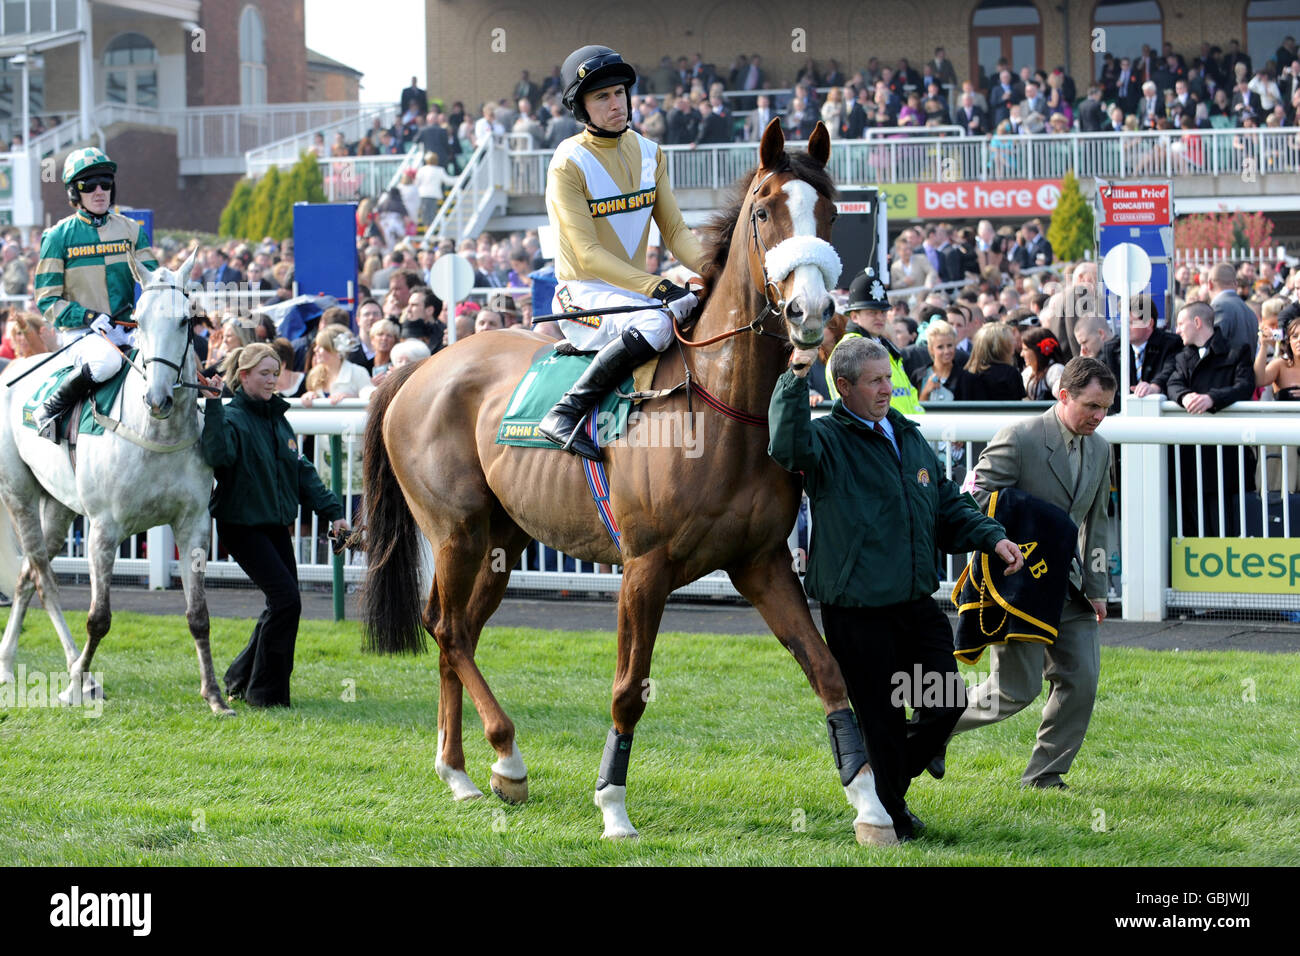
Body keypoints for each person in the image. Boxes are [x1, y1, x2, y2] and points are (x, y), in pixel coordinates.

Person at [769, 336, 1023, 842]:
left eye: (888, 377)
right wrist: (794, 377)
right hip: (857, 610)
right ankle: (891, 813)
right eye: (875, 381)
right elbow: (786, 443)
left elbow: (947, 503)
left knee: (947, 702)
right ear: (843, 387)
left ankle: (885, 783)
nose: (888, 388)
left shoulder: (907, 435)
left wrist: (992, 538)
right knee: (881, 718)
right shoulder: (825, 440)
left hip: (916, 604)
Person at [946, 357, 1117, 789]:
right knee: (1013, 692)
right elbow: (971, 498)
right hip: (1016, 586)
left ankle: (1045, 777)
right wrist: (1000, 543)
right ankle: (926, 730)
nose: (1099, 417)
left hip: (1070, 587)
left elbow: (1098, 523)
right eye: (1092, 406)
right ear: (1064, 396)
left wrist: (1098, 588)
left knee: (1082, 679)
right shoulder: (1019, 437)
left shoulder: (1101, 448)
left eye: (1106, 408)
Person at [540, 45, 706, 461]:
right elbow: (589, 253)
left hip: (632, 293)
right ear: (581, 107)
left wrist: (715, 268)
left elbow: (676, 232)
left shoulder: (650, 152)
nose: (616, 104)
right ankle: (565, 412)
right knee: (656, 323)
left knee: (701, 308)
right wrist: (659, 285)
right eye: (601, 97)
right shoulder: (568, 162)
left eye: (619, 93)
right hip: (581, 294)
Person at [196, 343, 346, 707]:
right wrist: (214, 404)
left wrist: (333, 512)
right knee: (286, 601)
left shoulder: (278, 419)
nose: (271, 381)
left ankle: (239, 677)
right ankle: (265, 695)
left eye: (275, 374)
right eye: (264, 374)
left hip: (275, 524)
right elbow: (216, 456)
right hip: (241, 525)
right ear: (243, 376)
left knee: (282, 604)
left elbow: (302, 471)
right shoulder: (231, 417)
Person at [31, 147, 159, 441]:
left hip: (127, 330)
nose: (99, 191)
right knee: (107, 363)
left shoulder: (131, 230)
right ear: (75, 193)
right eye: (89, 186)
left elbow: (152, 280)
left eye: (105, 184)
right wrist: (87, 316)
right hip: (83, 334)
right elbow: (47, 298)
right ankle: (51, 407)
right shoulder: (58, 236)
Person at [1166, 301, 1256, 535]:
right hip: (1190, 457)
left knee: (1228, 523)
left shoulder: (1238, 350)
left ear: (1197, 323)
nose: (1177, 330)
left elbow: (1245, 386)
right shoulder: (1182, 357)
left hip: (1227, 455)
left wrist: (1212, 399)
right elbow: (1173, 383)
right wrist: (1184, 397)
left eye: (1180, 324)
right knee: (1192, 525)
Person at [825, 269, 923, 414]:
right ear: (854, 316)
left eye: (883, 312)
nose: (880, 317)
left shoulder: (885, 345)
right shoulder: (849, 350)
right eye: (872, 312)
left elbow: (908, 392)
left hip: (900, 430)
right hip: (876, 432)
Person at [1102, 293, 1181, 412]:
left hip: (1160, 417)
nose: (1125, 327)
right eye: (1123, 322)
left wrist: (1154, 386)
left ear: (1149, 323)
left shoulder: (1171, 344)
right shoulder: (1112, 348)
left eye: (1131, 322)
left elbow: (1170, 370)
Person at [1021, 326, 1067, 400]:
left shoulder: (1055, 370)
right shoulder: (1027, 372)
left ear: (1037, 351)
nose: (1021, 354)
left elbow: (1065, 399)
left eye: (1025, 349)